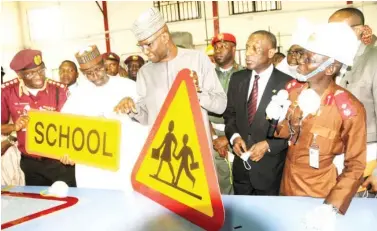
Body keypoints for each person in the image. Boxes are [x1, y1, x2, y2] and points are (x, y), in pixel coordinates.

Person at [272, 23, 365, 218]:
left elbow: (355, 166)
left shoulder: (349, 109)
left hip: (319, 195)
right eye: (301, 57)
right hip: (286, 189)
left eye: (308, 59)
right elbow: (281, 135)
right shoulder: (292, 91)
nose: (300, 64)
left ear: (330, 67)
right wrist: (277, 118)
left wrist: (331, 207)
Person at [114, 8, 227, 149]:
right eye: (141, 46)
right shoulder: (144, 73)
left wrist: (197, 91)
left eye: (148, 44)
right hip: (162, 153)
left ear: (165, 38)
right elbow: (146, 118)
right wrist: (131, 108)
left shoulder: (198, 59)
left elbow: (221, 105)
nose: (145, 51)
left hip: (195, 152)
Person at [60, 45, 147, 191]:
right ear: (82, 73)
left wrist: (133, 106)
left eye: (98, 69)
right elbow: (64, 128)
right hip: (91, 170)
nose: (95, 75)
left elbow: (147, 118)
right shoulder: (78, 95)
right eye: (89, 73)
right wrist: (65, 152)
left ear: (103, 64)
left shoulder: (128, 86)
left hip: (124, 161)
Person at [223, 30, 292, 196]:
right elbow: (230, 115)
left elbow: (294, 130)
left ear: (271, 52)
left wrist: (269, 145)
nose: (248, 54)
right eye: (247, 48)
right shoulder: (237, 79)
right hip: (241, 171)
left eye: (255, 49)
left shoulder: (288, 83)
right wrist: (234, 137)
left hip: (270, 172)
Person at [1, 49, 76, 186]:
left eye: (41, 70)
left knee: (69, 201)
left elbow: (73, 126)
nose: (39, 76)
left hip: (60, 163)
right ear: (19, 74)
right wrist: (14, 127)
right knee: (38, 203)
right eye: (31, 73)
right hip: (30, 164)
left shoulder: (60, 90)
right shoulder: (7, 92)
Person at [329, 7, 377, 197]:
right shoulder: (332, 63)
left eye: (337, 31)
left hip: (368, 156)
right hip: (338, 157)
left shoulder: (373, 60)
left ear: (359, 31)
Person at [209, 32, 242, 195]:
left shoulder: (245, 75)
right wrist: (214, 138)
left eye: (223, 46)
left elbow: (250, 112)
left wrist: (228, 138)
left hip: (238, 135)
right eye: (216, 47)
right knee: (217, 181)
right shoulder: (206, 76)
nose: (218, 50)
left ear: (234, 49)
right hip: (210, 133)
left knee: (239, 180)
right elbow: (198, 106)